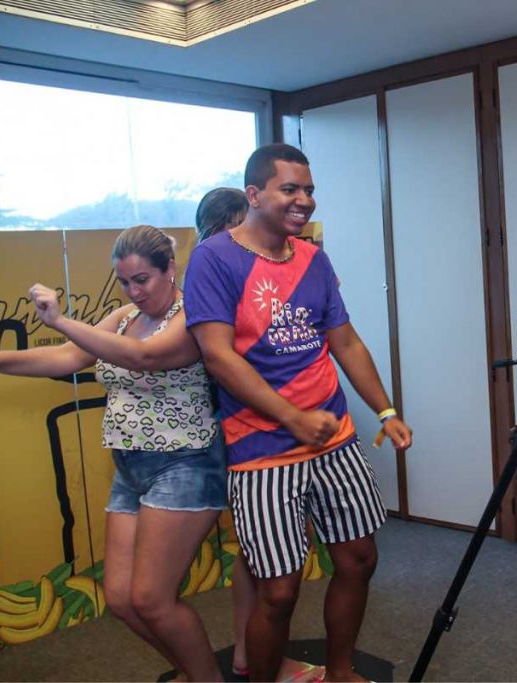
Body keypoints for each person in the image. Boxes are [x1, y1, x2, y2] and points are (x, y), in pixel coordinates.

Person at [183, 143, 413, 683]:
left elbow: (346, 342)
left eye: (309, 190)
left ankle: (339, 672)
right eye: (290, 189)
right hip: (261, 449)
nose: (304, 200)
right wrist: (290, 417)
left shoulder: (312, 258)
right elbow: (218, 355)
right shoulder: (215, 258)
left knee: (359, 560)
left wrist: (386, 409)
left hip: (333, 438)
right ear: (255, 194)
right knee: (279, 589)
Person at [0, 225, 227, 681]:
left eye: (142, 279)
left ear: (171, 269)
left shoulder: (193, 315)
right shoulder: (124, 317)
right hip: (130, 467)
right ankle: (190, 671)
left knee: (152, 598)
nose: (133, 290)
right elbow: (68, 357)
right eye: (124, 281)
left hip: (184, 464)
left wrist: (62, 320)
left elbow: (143, 357)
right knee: (122, 600)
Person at [194, 186, 323, 682]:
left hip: (263, 426)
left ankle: (249, 651)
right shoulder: (213, 280)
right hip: (236, 433)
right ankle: (249, 653)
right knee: (263, 559)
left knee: (256, 557)